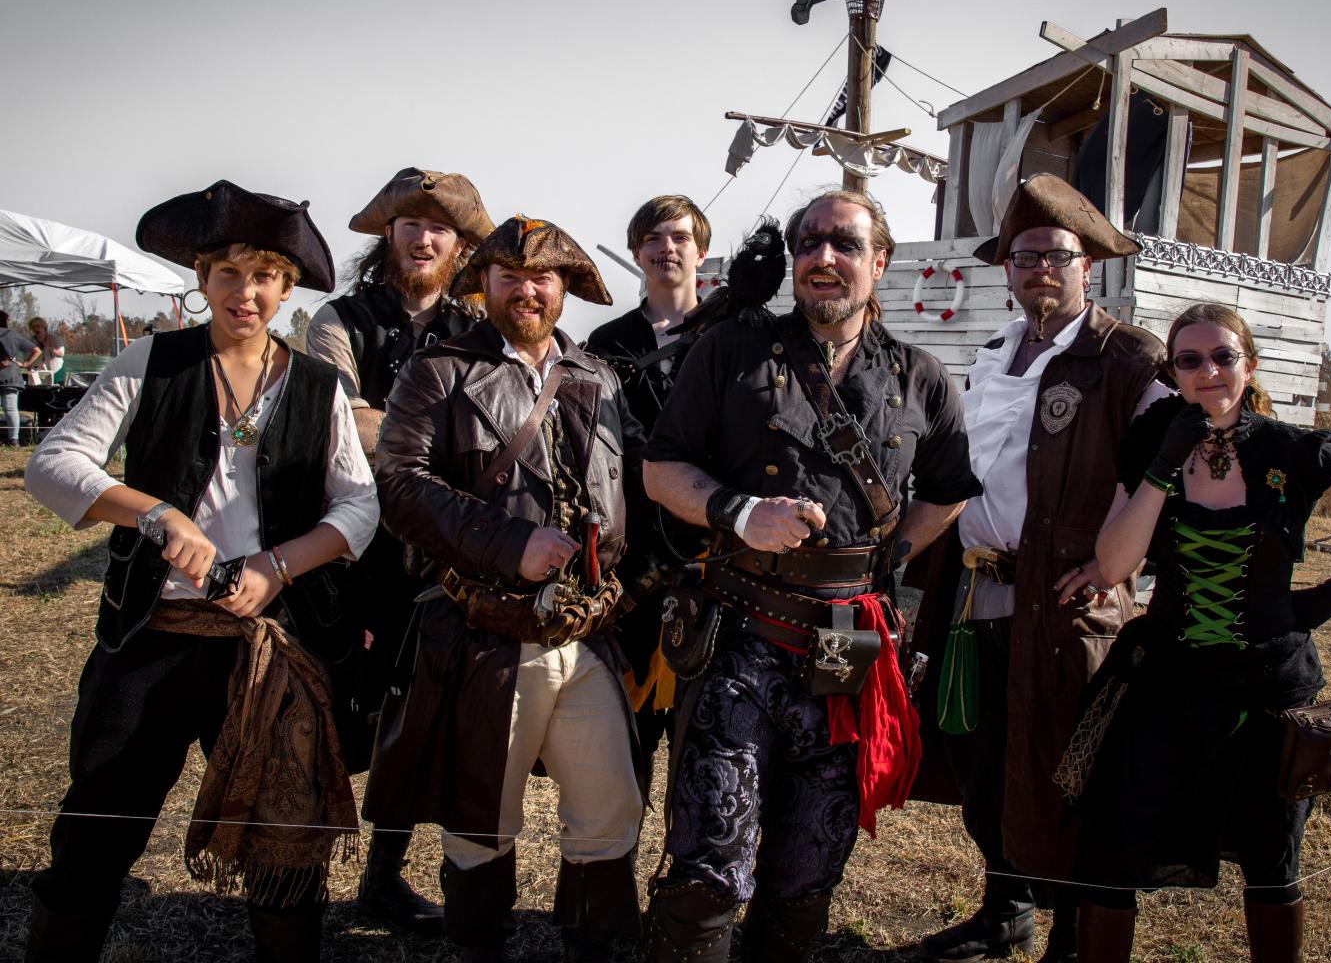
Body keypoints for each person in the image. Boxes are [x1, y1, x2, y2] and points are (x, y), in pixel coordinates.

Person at [22, 180, 379, 961]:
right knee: (97, 828)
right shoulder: (153, 359)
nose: (244, 292)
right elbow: (53, 464)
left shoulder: (319, 387)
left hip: (267, 644)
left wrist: (278, 567)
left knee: (284, 853)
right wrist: (153, 513)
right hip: (152, 634)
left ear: (287, 289)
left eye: (262, 277)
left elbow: (359, 509)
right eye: (227, 274)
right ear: (202, 279)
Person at [642, 189, 984, 963]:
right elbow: (662, 469)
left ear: (880, 263)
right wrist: (737, 512)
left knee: (809, 861)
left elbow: (949, 489)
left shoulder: (922, 375)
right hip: (740, 626)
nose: (824, 259)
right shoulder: (731, 349)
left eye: (845, 244)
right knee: (708, 860)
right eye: (810, 244)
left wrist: (882, 558)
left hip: (844, 637)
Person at [1068, 302, 1331, 961]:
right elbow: (1119, 563)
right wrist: (1163, 464)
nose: (1208, 371)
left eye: (1223, 356)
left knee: (1273, 855)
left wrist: (1324, 600)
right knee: (1115, 844)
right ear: (1174, 373)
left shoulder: (1294, 451)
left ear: (1249, 364)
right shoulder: (1151, 439)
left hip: (1272, 688)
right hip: (1170, 679)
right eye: (1190, 360)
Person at [364, 215, 647, 963]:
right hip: (487, 637)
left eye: (544, 276)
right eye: (511, 275)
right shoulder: (437, 370)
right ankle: (480, 950)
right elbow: (398, 486)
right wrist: (509, 543)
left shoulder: (598, 377)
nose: (528, 288)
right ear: (482, 284)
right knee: (481, 820)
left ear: (564, 290)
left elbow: (639, 496)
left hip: (588, 637)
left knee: (611, 812)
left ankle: (595, 949)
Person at [905, 174, 1167, 963]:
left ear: (1089, 265)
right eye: (1024, 258)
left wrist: (1114, 563)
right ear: (1008, 271)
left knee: (1065, 769)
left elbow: (1163, 467)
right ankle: (1004, 910)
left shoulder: (1127, 359)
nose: (1039, 270)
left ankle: (1070, 936)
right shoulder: (991, 354)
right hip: (977, 593)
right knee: (984, 764)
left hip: (1066, 604)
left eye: (1057, 255)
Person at [304, 165, 494, 931]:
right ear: (388, 234)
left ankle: (384, 877)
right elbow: (339, 420)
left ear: (458, 244)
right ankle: (297, 876)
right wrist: (432, 446)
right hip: (351, 546)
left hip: (443, 551)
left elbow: (493, 424)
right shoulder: (337, 319)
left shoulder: (478, 325)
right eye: (410, 223)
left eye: (439, 227)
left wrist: (408, 442)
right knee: (324, 707)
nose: (423, 237)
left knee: (419, 715)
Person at [584, 194, 710, 766]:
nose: (667, 249)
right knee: (621, 751)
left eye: (680, 237)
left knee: (704, 746)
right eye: (654, 238)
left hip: (716, 557)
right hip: (631, 561)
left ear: (701, 251)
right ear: (637, 251)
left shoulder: (738, 336)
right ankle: (615, 856)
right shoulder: (606, 345)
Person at [0, 310, 41, 445]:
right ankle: (14, 439)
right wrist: (25, 364)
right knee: (11, 409)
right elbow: (37, 350)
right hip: (11, 376)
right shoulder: (14, 335)